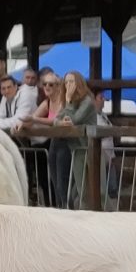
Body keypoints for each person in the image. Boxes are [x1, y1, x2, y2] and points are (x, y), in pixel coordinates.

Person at [46, 69, 101, 206]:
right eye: (66, 82)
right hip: (76, 149)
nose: (68, 85)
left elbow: (75, 119)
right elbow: (56, 120)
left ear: (79, 83)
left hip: (87, 148)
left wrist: (68, 102)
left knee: (92, 189)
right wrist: (62, 122)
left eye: (71, 81)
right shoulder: (67, 102)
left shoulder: (87, 101)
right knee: (73, 187)